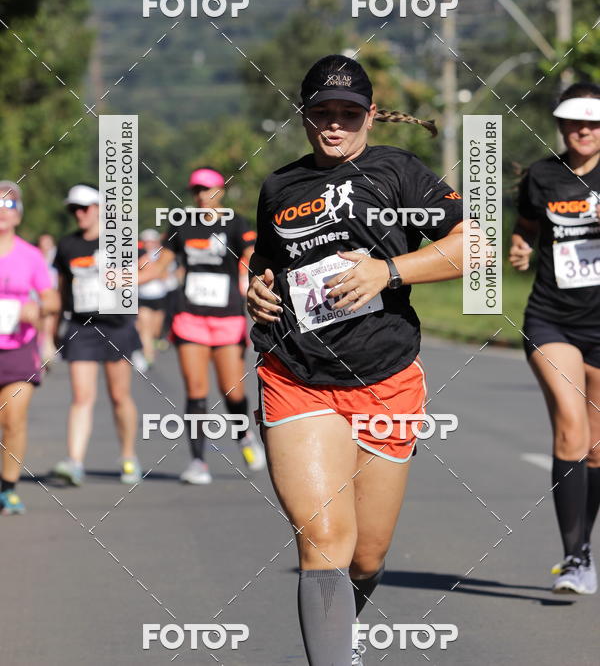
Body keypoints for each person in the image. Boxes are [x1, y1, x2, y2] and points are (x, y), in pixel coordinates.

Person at [247, 55, 465, 666]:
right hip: (298, 376)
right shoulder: (280, 186)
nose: (334, 125)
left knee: (366, 556)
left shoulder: (397, 171)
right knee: (323, 542)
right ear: (305, 116)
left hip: (386, 379)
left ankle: (342, 633)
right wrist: (256, 289)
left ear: (369, 116)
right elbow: (268, 265)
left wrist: (387, 271)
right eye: (322, 113)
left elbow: (470, 246)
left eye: (348, 113)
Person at [510, 82, 600, 594]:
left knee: (595, 448)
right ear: (561, 125)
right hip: (551, 318)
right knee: (570, 428)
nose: (583, 131)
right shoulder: (543, 175)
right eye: (573, 122)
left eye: (592, 122)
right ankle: (574, 558)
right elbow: (526, 226)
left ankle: (583, 546)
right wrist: (521, 248)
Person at [142, 168, 265, 484]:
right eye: (196, 190)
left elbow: (251, 255)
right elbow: (161, 266)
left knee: (232, 390)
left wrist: (253, 276)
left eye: (207, 189)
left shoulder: (235, 223)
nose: (201, 195)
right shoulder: (181, 225)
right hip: (190, 317)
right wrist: (127, 280)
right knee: (196, 391)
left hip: (227, 317)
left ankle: (244, 436)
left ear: (220, 191)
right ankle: (198, 462)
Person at [51, 184, 143, 486]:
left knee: (119, 396)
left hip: (115, 325)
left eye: (84, 208)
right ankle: (74, 462)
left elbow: (151, 269)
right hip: (81, 326)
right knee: (81, 397)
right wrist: (55, 327)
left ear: (100, 208)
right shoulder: (66, 246)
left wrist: (125, 278)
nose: (79, 213)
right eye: (73, 209)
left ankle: (128, 456)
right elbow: (62, 288)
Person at [0, 182, 59, 514]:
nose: (2, 211)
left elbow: (50, 297)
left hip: (19, 349)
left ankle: (7, 489)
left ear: (19, 215)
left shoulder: (30, 256)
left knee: (13, 419)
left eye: (9, 205)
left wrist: (38, 308)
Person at [136, 229, 168, 369]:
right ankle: (148, 356)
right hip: (143, 296)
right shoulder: (138, 255)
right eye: (146, 241)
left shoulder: (162, 255)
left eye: (151, 241)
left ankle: (153, 344)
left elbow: (165, 274)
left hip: (160, 296)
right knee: (145, 329)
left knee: (155, 329)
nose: (149, 244)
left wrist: (155, 272)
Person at [37, 233, 59, 362]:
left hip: (53, 293)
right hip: (38, 295)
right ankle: (42, 347)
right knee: (41, 322)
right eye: (43, 243)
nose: (46, 246)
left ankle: (49, 346)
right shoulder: (36, 256)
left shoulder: (56, 257)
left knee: (50, 321)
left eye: (48, 243)